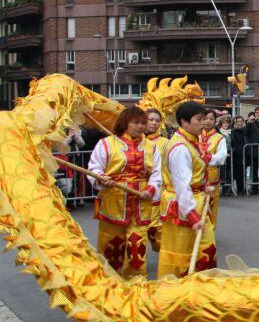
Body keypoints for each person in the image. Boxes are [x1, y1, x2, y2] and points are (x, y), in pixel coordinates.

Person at [87, 107, 161, 278]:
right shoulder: (106, 144)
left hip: (141, 204)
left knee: (137, 249)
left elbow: (157, 173)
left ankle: (136, 285)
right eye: (136, 123)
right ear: (124, 123)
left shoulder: (151, 147)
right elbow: (94, 167)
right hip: (113, 203)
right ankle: (110, 284)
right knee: (111, 248)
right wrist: (101, 178)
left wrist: (150, 189)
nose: (141, 126)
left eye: (143, 123)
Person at [157, 101, 216, 278]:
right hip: (182, 206)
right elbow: (182, 184)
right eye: (199, 119)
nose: (203, 123)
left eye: (204, 119)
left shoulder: (189, 142)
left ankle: (201, 290)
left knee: (206, 250)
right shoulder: (180, 148)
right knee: (181, 255)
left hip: (195, 201)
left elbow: (192, 176)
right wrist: (192, 215)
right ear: (184, 122)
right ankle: (176, 293)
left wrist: (203, 186)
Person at [145, 108, 169, 252]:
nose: (154, 123)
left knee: (154, 228)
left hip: (158, 190)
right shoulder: (137, 141)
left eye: (157, 120)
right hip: (137, 190)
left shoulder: (165, 143)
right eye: (151, 120)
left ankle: (165, 250)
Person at [200, 109, 228, 228]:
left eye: (211, 119)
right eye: (205, 118)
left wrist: (206, 158)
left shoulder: (219, 138)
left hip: (212, 178)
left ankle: (210, 229)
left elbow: (221, 157)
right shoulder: (195, 136)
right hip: (197, 178)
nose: (208, 121)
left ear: (215, 121)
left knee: (212, 204)